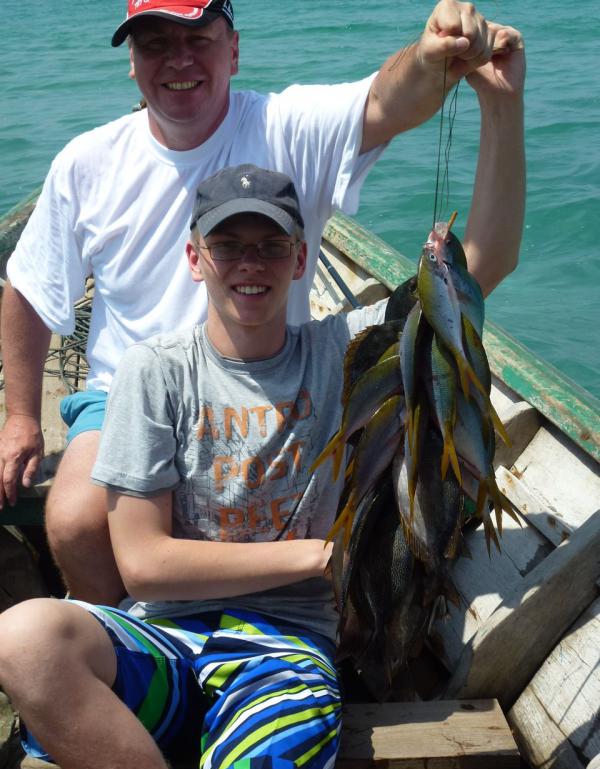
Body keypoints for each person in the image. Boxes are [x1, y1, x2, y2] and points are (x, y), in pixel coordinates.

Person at [0, 0, 526, 605]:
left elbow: (389, 98)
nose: (178, 60)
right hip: (128, 390)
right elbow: (31, 288)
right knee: (76, 520)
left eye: (198, 39)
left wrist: (435, 55)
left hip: (277, 384)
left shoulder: (286, 124)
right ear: (132, 62)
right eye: (155, 43)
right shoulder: (85, 162)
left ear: (234, 50)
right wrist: (21, 418)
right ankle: (128, 633)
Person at [0, 163, 407, 769]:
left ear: (300, 260)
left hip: (283, 651)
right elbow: (143, 567)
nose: (250, 263)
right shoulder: (154, 370)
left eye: (271, 246)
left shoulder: (340, 350)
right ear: (195, 259)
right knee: (22, 638)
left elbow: (477, 270)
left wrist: (500, 116)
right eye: (228, 246)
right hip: (164, 637)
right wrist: (320, 556)